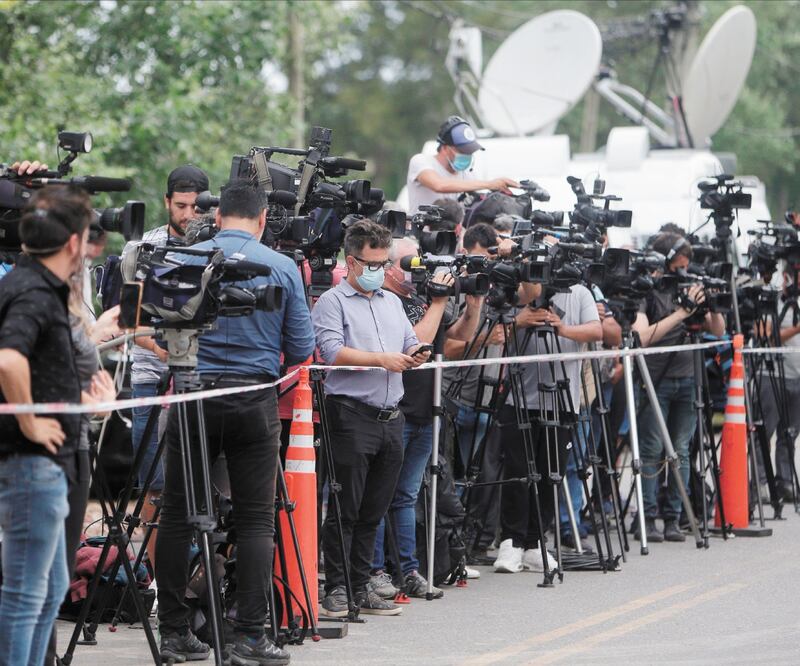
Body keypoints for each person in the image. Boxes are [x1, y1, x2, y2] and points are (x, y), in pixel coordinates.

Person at [155, 179, 315, 665]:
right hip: (252, 399)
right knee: (254, 519)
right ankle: (250, 636)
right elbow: (304, 349)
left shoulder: (182, 257)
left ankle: (174, 632)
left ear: (218, 216)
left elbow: (160, 327)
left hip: (192, 394)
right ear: (264, 219)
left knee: (178, 513)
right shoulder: (283, 266)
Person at [0, 184, 111, 666]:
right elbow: (8, 361)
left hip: (53, 463)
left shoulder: (41, 287)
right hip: (32, 465)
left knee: (46, 593)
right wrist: (30, 423)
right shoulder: (31, 291)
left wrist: (88, 402)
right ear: (73, 243)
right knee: (26, 595)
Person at [312, 220, 429, 617]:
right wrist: (382, 359)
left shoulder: (391, 302)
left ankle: (361, 585)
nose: (378, 269)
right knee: (346, 509)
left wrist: (417, 353)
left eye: (383, 262)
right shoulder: (332, 301)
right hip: (350, 414)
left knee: (373, 511)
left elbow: (409, 341)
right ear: (351, 261)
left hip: (391, 416)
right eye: (371, 262)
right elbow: (330, 351)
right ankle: (338, 589)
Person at [367, 235, 481, 599]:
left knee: (406, 496)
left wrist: (474, 303)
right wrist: (438, 300)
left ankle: (408, 569)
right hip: (395, 412)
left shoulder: (420, 300)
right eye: (412, 263)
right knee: (382, 496)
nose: (420, 269)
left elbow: (458, 336)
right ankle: (375, 571)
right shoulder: (384, 303)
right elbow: (415, 344)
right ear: (389, 267)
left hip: (426, 412)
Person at [123, 164, 209, 572]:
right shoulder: (144, 247)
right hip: (150, 379)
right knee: (154, 487)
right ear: (166, 203)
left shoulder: (215, 246)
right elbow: (124, 318)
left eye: (197, 206)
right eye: (181, 205)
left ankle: (196, 577)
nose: (189, 214)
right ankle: (158, 583)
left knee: (201, 485)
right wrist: (160, 348)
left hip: (202, 379)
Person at [493, 277, 602, 574]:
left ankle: (535, 542)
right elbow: (497, 331)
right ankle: (511, 541)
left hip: (563, 400)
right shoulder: (521, 290)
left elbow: (596, 329)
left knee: (549, 474)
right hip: (519, 398)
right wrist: (521, 319)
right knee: (518, 473)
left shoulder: (579, 293)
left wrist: (561, 327)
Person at [632, 232, 725, 543]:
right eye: (677, 268)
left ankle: (674, 516)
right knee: (652, 450)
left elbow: (718, 330)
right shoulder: (647, 291)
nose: (682, 275)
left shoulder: (691, 289)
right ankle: (647, 517)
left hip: (687, 378)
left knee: (682, 450)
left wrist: (708, 305)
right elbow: (642, 337)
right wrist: (680, 313)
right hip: (655, 379)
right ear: (663, 263)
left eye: (686, 267)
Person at [406, 116, 519, 214]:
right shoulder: (421, 161)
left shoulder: (468, 175)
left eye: (470, 151)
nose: (467, 155)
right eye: (463, 151)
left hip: (453, 237)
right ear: (445, 148)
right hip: (421, 237)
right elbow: (438, 185)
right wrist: (490, 184)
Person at [758, 262, 800, 501]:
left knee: (790, 434)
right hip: (770, 373)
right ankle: (761, 483)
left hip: (797, 375)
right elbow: (763, 334)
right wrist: (796, 329)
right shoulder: (771, 300)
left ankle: (785, 482)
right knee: (765, 432)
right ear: (787, 277)